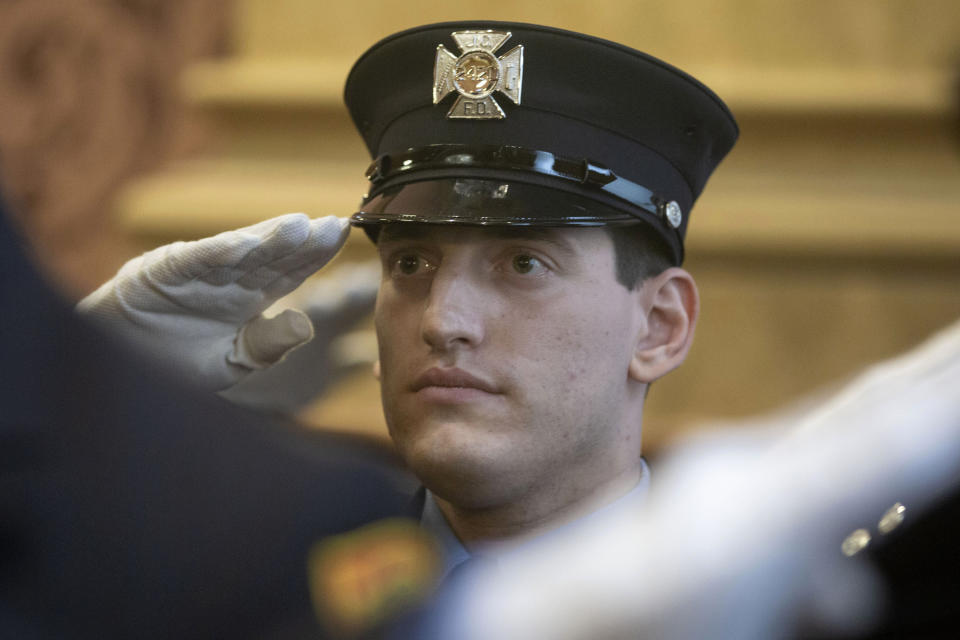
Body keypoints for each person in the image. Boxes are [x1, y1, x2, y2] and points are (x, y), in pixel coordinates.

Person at [79, 21, 738, 577]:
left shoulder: (767, 603)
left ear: (658, 327)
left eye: (525, 263)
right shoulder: (258, 587)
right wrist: (88, 402)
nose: (441, 320)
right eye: (411, 263)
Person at [0, 192, 437, 638]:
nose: (442, 323)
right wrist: (98, 405)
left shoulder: (334, 516)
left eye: (516, 263)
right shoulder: (292, 544)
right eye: (409, 264)